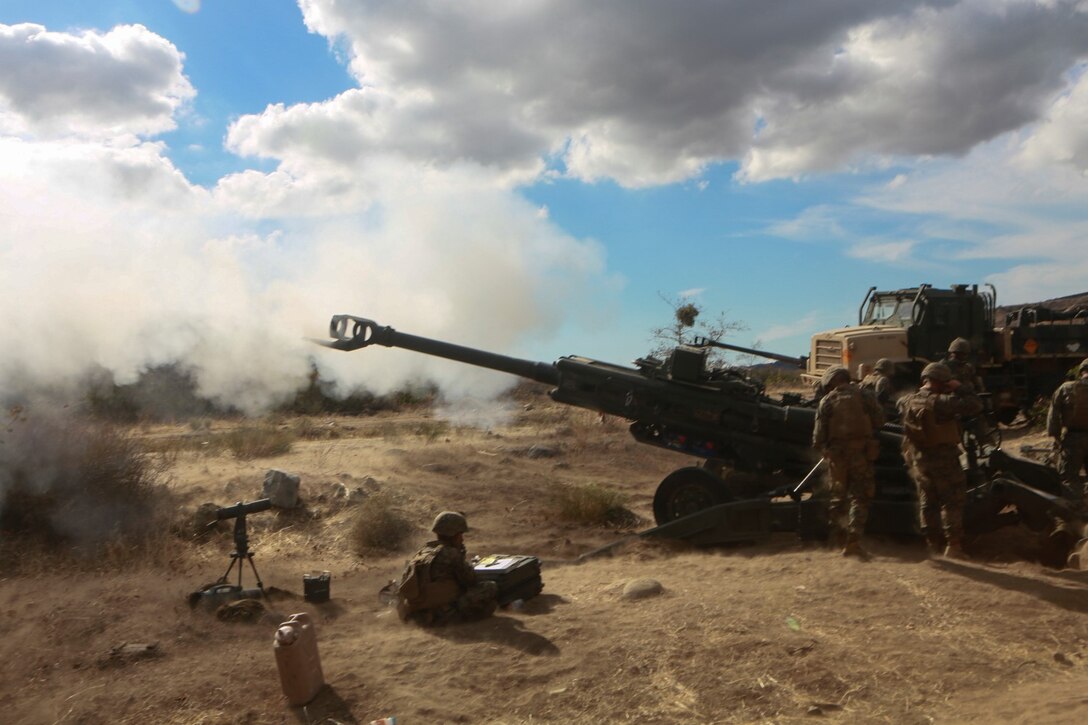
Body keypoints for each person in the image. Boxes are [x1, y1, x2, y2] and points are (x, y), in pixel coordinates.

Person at [897, 363, 983, 559]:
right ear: (942, 382)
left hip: (919, 460)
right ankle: (953, 546)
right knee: (951, 500)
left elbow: (900, 406)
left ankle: (932, 544)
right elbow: (976, 405)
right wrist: (959, 387)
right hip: (944, 459)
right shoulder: (941, 402)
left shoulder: (908, 400)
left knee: (927, 502)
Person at [812, 365, 885, 558]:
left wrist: (827, 450)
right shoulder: (865, 395)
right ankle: (853, 542)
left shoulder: (826, 401)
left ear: (831, 382)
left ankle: (837, 540)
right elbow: (880, 421)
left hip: (837, 457)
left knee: (838, 498)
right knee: (860, 497)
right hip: (861, 454)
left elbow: (818, 438)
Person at [395, 511, 498, 625]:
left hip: (417, 612)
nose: (462, 539)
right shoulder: (451, 553)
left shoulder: (423, 551)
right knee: (490, 586)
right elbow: (470, 580)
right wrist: (461, 555)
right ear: (453, 535)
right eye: (460, 535)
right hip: (442, 614)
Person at [1046, 358, 1088, 508]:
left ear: (1081, 371)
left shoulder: (1066, 388)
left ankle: (1075, 511)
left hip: (1073, 439)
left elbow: (1053, 417)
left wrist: (1057, 437)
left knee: (1069, 478)